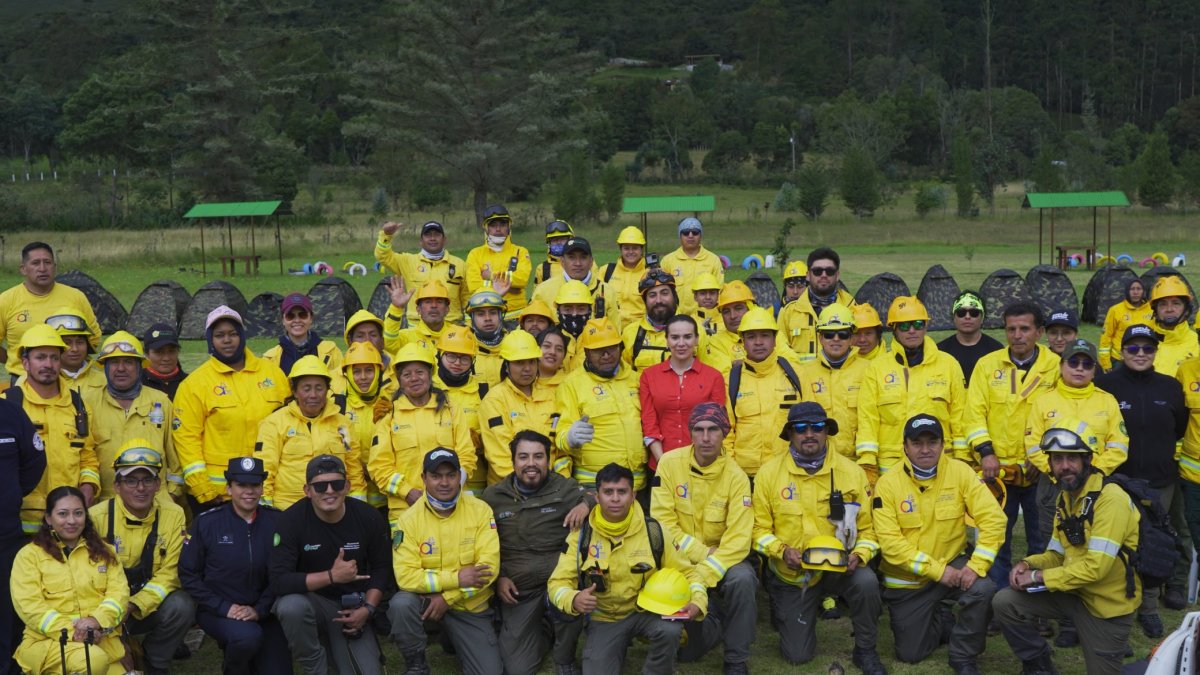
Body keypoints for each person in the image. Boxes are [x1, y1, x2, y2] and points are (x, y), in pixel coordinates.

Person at [993, 419, 1142, 675]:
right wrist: (1028, 564)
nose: (1064, 466)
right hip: (1073, 594)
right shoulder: (1066, 497)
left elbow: (1095, 569)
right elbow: (1056, 554)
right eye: (1057, 459)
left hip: (1105, 607)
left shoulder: (1111, 499)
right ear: (1049, 464)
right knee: (1005, 601)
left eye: (1072, 458)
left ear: (1087, 459)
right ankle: (1038, 663)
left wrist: (1038, 576)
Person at [751, 402, 884, 673]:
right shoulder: (768, 474)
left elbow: (870, 530)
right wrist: (781, 550)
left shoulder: (852, 472)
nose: (809, 433)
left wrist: (859, 555)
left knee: (867, 581)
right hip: (793, 574)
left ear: (827, 432)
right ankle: (787, 612)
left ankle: (866, 650)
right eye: (800, 428)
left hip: (840, 569)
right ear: (790, 434)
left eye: (817, 427)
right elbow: (756, 530)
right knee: (797, 656)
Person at [874, 414, 1006, 674]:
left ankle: (963, 655)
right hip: (909, 581)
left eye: (932, 442)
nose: (925, 449)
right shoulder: (887, 484)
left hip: (954, 563)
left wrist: (976, 565)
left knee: (983, 588)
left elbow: (994, 520)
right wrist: (938, 571)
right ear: (905, 447)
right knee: (911, 655)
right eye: (917, 443)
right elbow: (890, 544)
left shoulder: (961, 472)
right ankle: (941, 619)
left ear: (943, 444)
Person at [547, 463, 708, 674]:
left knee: (670, 629)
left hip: (648, 611)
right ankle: (615, 647)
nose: (615, 498)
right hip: (605, 618)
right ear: (597, 497)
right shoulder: (581, 536)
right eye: (608, 492)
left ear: (633, 495)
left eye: (622, 491)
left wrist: (697, 601)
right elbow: (557, 583)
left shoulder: (655, 530)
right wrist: (573, 599)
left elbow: (689, 572)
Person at [1025, 337, 1129, 649]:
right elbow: (1032, 445)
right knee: (1056, 548)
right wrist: (1059, 472)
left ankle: (1089, 614)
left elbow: (1119, 444)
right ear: (1062, 365)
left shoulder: (1107, 401)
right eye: (1074, 362)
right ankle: (1060, 617)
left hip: (1098, 488)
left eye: (1087, 363)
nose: (1080, 369)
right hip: (1054, 485)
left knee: (1091, 551)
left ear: (1095, 369)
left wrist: (1091, 473)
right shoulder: (1043, 401)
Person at [1097, 324, 1190, 634]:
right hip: (1118, 482)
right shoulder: (1106, 384)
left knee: (1153, 543)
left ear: (1155, 352)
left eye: (1147, 348)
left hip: (1159, 481)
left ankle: (1148, 606)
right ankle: (1115, 603)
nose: (1140, 354)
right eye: (1133, 348)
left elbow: (1178, 428)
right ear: (1122, 351)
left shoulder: (1170, 387)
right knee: (1115, 543)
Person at [650, 403, 755, 673]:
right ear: (690, 433)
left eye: (713, 430)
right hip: (678, 556)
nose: (705, 437)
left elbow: (739, 539)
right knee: (688, 655)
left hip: (721, 560)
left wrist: (705, 571)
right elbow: (662, 522)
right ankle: (711, 622)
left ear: (724, 434)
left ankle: (736, 659)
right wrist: (699, 554)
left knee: (743, 579)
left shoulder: (737, 477)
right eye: (699, 430)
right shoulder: (669, 463)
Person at [480, 431, 592, 675]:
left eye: (538, 456)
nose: (531, 463)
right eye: (523, 457)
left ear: (548, 460)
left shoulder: (565, 488)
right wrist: (498, 578)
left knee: (569, 601)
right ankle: (545, 627)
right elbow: (481, 546)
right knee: (517, 668)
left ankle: (565, 657)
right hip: (520, 589)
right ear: (513, 462)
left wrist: (586, 505)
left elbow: (601, 496)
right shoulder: (493, 497)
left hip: (559, 581)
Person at [270, 455, 391, 675]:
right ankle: (315, 666)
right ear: (307, 490)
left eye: (336, 484)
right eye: (319, 486)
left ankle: (339, 643)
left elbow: (382, 568)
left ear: (347, 486)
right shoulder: (290, 520)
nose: (329, 491)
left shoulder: (369, 516)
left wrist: (368, 609)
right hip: (312, 601)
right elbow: (278, 581)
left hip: (351, 605)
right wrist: (332, 576)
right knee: (290, 606)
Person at [965, 302, 1058, 588]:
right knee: (995, 537)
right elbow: (973, 413)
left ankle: (1037, 599)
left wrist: (1041, 457)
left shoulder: (1054, 366)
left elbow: (1060, 413)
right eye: (1011, 329)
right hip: (998, 473)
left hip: (1038, 472)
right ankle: (997, 600)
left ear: (1039, 332)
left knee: (1041, 539)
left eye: (1024, 329)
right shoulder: (987, 365)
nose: (1017, 335)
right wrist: (986, 453)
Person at [389, 448, 503, 675]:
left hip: (469, 606)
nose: (444, 482)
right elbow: (405, 577)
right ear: (424, 478)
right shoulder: (407, 520)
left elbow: (488, 570)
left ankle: (451, 638)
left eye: (451, 475)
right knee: (401, 604)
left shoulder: (481, 511)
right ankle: (416, 663)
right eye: (436, 476)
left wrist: (448, 598)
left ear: (459, 477)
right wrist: (457, 578)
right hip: (424, 604)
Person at [179, 457, 290, 675]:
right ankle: (233, 667)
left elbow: (283, 572)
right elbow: (189, 574)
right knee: (247, 638)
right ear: (229, 488)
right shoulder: (206, 523)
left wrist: (259, 610)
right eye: (241, 485)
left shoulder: (277, 522)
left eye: (255, 485)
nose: (249, 491)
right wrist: (224, 607)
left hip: (264, 611)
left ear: (261, 488)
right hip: (218, 611)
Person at [173, 306, 290, 513]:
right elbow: (186, 439)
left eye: (233, 334)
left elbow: (289, 424)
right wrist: (203, 489)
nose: (227, 340)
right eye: (219, 335)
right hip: (218, 495)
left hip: (267, 490)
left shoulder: (273, 374)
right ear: (210, 340)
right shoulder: (195, 384)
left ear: (242, 336)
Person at [91, 444, 195, 675]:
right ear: (117, 486)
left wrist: (135, 604)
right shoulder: (96, 518)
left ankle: (155, 661)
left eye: (147, 480)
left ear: (158, 485)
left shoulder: (174, 514)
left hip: (143, 608)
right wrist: (113, 611)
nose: (141, 488)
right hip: (104, 608)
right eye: (131, 481)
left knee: (183, 604)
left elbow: (172, 573)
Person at [10, 486, 128, 675]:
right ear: (49, 518)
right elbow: (30, 606)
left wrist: (96, 621)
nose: (71, 521)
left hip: (102, 643)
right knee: (94, 662)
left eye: (78, 513)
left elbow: (119, 595)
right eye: (63, 514)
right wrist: (74, 633)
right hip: (48, 644)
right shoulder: (28, 556)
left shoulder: (106, 552)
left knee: (98, 660)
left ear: (86, 516)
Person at [858, 295, 967, 481]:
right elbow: (868, 418)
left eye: (917, 324)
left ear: (926, 326)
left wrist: (964, 458)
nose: (911, 331)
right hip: (891, 465)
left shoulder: (949, 365)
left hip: (939, 462)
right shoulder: (876, 368)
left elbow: (961, 415)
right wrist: (868, 462)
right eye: (904, 325)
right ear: (894, 329)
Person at [4, 324, 98, 533]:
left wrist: (88, 486)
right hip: (21, 522)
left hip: (69, 520)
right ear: (25, 362)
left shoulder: (78, 406)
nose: (48, 364)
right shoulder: (9, 405)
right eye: (41, 357)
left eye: (54, 358)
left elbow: (88, 457)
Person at [369, 344, 474, 530]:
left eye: (420, 372)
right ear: (399, 380)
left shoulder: (451, 408)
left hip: (452, 505)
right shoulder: (388, 414)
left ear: (430, 374)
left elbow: (466, 454)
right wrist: (407, 492)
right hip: (406, 509)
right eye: (406, 374)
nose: (414, 378)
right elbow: (379, 466)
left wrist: (451, 489)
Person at [257, 356, 365, 509]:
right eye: (306, 389)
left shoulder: (343, 425)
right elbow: (265, 469)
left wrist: (357, 507)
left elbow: (353, 466)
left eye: (319, 388)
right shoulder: (274, 423)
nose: (313, 395)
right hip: (287, 509)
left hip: (332, 510)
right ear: (294, 391)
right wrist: (266, 510)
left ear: (327, 390)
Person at [88, 331, 181, 503]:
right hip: (105, 504)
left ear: (140, 366)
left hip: (156, 502)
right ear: (105, 367)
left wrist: (171, 496)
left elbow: (176, 460)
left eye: (128, 362)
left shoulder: (160, 401)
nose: (121, 368)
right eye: (114, 362)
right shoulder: (89, 403)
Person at [555, 318, 645, 490]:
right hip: (594, 486)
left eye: (611, 348)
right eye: (598, 350)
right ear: (587, 352)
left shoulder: (636, 380)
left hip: (637, 484)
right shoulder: (572, 385)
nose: (606, 355)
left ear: (620, 348)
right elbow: (560, 435)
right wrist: (569, 437)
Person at [0, 242, 100, 381]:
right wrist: (17, 359)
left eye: (47, 262)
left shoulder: (75, 297)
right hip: (22, 379)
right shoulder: (6, 300)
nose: (42, 268)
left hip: (69, 380)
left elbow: (93, 339)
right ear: (23, 269)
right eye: (36, 263)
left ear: (54, 267)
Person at [639, 315, 726, 469]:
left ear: (697, 339)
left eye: (687, 337)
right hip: (661, 464)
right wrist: (664, 463)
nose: (681, 343)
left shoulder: (713, 377)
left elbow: (715, 424)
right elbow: (649, 422)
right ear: (666, 340)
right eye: (674, 337)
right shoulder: (649, 375)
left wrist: (696, 463)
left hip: (702, 465)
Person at [725, 307, 803, 479]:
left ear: (775, 339)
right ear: (742, 341)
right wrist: (732, 474)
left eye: (765, 335)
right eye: (751, 337)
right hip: (745, 475)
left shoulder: (796, 375)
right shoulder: (730, 380)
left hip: (788, 472)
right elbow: (726, 432)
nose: (758, 342)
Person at [479, 331, 562, 483]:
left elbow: (560, 451)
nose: (527, 368)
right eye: (519, 362)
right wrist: (533, 485)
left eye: (531, 361)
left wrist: (557, 482)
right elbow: (501, 457)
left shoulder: (551, 396)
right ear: (506, 366)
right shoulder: (494, 400)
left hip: (551, 485)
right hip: (511, 490)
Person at [0, 396, 45, 671]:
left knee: (6, 609)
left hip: (4, 535)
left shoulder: (11, 414)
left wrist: (10, 494)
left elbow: (34, 462)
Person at [798, 304, 870, 460]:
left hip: (856, 461)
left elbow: (871, 420)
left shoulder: (869, 371)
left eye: (843, 334)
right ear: (820, 338)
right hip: (817, 460)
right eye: (829, 334)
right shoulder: (804, 373)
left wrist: (867, 461)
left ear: (852, 338)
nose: (836, 339)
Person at [375, 219, 468, 324]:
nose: (432, 238)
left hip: (451, 325)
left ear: (444, 240)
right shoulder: (407, 261)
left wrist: (470, 325)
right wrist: (386, 235)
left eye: (437, 235)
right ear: (421, 241)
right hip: (417, 326)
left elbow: (467, 298)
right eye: (428, 235)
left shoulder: (460, 264)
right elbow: (383, 256)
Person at [777, 247, 856, 362]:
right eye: (817, 271)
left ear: (837, 275)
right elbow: (779, 348)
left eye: (830, 271)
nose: (823, 275)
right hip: (801, 378)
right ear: (808, 275)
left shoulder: (853, 308)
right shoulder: (788, 312)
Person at [433, 327, 488, 492]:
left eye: (464, 358)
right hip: (435, 481)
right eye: (451, 356)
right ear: (439, 356)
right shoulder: (426, 390)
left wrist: (479, 439)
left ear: (473, 361)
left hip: (475, 483)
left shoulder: (483, 391)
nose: (457, 363)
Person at [341, 341, 392, 511]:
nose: (363, 377)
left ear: (379, 372)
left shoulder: (391, 404)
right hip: (352, 497)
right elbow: (343, 444)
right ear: (347, 374)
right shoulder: (339, 407)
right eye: (356, 371)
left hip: (387, 500)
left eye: (369, 370)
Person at [262, 293, 346, 394]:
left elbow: (340, 385)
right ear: (283, 320)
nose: (297, 320)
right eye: (290, 316)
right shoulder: (270, 358)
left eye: (302, 315)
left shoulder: (331, 351)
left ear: (311, 318)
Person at [465, 204, 532, 312]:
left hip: (516, 314)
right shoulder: (475, 254)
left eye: (502, 224)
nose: (498, 229)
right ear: (486, 228)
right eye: (493, 225)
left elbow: (522, 280)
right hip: (488, 312)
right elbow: (474, 286)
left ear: (509, 226)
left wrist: (489, 276)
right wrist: (510, 286)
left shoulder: (520, 251)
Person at [936, 291, 1002, 387]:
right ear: (954, 317)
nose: (967, 317)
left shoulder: (996, 350)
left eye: (974, 313)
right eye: (961, 313)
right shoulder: (940, 351)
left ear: (982, 318)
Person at [531, 235, 609, 315]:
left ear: (591, 262)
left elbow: (615, 327)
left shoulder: (608, 292)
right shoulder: (543, 291)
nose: (578, 263)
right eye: (572, 257)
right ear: (562, 262)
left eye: (583, 257)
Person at [661, 217, 724, 315]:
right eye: (686, 233)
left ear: (701, 235)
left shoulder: (713, 260)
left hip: (705, 318)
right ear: (680, 235)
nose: (690, 236)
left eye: (695, 232)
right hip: (675, 317)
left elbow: (720, 291)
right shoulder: (668, 261)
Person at [621, 269, 680, 371]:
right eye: (652, 295)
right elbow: (625, 377)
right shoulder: (630, 333)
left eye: (664, 293)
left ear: (674, 296)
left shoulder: (694, 330)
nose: (659, 300)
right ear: (645, 301)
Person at [46, 306, 107, 395]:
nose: (74, 349)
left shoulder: (105, 381)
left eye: (80, 342)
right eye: (67, 343)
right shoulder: (38, 382)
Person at [1148, 276, 1200, 377]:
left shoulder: (1197, 343)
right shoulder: (1143, 343)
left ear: (1186, 310)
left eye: (1176, 303)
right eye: (1163, 304)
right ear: (1155, 311)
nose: (1169, 309)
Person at [1100, 278, 1151, 370]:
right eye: (1132, 289)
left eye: (1138, 289)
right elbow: (1106, 337)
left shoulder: (1152, 310)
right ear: (1127, 291)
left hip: (1144, 358)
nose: (1135, 292)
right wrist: (1106, 363)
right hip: (1120, 360)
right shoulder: (1115, 310)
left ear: (1143, 291)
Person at [389, 278, 452, 355]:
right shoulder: (407, 337)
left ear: (447, 309)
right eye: (428, 302)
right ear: (418, 309)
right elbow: (388, 344)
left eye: (439, 302)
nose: (434, 305)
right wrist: (396, 308)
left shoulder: (458, 334)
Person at [602, 226, 648, 328]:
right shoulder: (606, 271)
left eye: (635, 248)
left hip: (640, 330)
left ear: (642, 249)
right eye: (626, 248)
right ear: (621, 249)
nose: (630, 252)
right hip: (611, 329)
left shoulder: (650, 272)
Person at [707, 280, 756, 369]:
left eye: (738, 308)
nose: (732, 316)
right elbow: (725, 377)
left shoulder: (770, 333)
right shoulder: (716, 342)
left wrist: (741, 365)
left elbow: (789, 360)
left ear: (750, 308)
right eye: (726, 311)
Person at [465, 289, 508, 386]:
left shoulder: (515, 345)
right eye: (480, 314)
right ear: (472, 318)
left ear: (501, 315)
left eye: (492, 313)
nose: (487, 318)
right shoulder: (461, 348)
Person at [141, 322, 187, 399]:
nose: (166, 358)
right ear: (146, 353)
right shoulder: (136, 383)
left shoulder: (190, 382)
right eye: (159, 352)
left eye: (171, 351)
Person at [533, 219, 580, 285]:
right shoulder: (542, 269)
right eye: (554, 240)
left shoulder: (584, 263)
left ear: (571, 240)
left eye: (562, 239)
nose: (558, 242)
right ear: (549, 243)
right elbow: (537, 294)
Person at [537, 326, 569, 391]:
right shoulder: (521, 381)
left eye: (559, 349)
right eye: (547, 346)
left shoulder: (570, 383)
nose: (552, 352)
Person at [691, 272, 722, 336]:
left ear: (718, 296)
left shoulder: (727, 320)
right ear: (695, 297)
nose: (708, 297)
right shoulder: (690, 322)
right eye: (703, 293)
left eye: (712, 293)